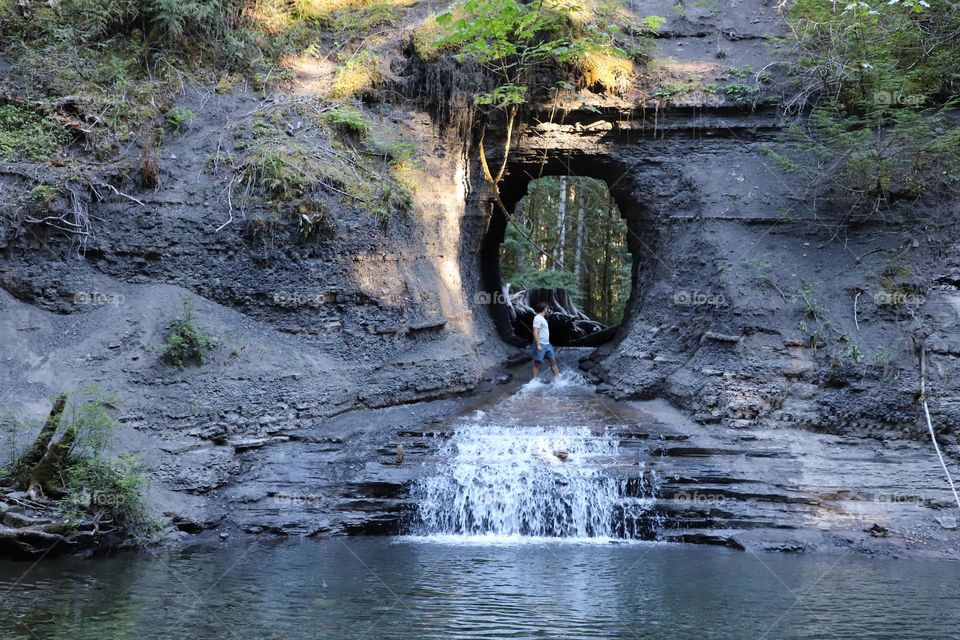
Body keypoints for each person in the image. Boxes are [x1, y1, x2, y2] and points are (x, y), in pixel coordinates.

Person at [531, 302, 560, 381]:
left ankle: (558, 380)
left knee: (553, 361)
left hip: (547, 344)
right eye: (547, 308)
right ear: (544, 309)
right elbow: (535, 331)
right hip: (541, 344)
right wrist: (538, 345)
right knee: (537, 363)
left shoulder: (543, 318)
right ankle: (534, 381)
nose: (548, 310)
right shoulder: (537, 318)